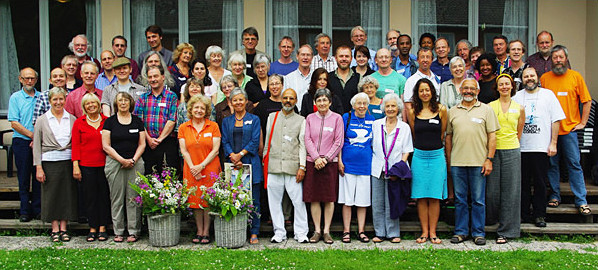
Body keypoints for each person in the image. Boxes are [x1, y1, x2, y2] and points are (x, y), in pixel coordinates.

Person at [446, 78, 499, 246]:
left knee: (478, 200)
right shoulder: (452, 111)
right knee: (460, 199)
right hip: (458, 162)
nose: (468, 91)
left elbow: (492, 136)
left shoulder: (486, 110)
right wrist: (449, 160)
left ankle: (478, 233)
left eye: (472, 88)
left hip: (479, 162)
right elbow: (448, 137)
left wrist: (489, 159)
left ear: (477, 91)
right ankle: (461, 232)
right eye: (465, 88)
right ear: (460, 90)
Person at [541, 45, 592, 215]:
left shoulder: (575, 77)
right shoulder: (545, 78)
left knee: (574, 164)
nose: (558, 60)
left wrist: (583, 122)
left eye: (561, 57)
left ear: (566, 59)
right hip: (550, 131)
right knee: (552, 165)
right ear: (552, 60)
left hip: (570, 129)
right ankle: (555, 196)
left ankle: (581, 200)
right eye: (555, 57)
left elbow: (587, 101)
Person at [513, 67, 565, 227]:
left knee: (541, 183)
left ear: (537, 77)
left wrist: (553, 143)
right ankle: (523, 214)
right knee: (523, 184)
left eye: (532, 76)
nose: (529, 78)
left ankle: (539, 215)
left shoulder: (548, 95)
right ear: (522, 79)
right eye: (526, 76)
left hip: (541, 147)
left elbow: (556, 120)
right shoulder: (516, 97)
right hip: (521, 148)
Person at [263, 88, 309, 244]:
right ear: (281, 99)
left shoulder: (301, 120)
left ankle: (301, 232)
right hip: (273, 166)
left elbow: (303, 145)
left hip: (293, 167)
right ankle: (279, 232)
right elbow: (267, 141)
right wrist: (265, 159)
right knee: (274, 202)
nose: (288, 101)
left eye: (291, 98)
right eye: (285, 98)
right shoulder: (272, 117)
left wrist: (302, 166)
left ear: (296, 101)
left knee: (298, 201)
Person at [33, 87, 77, 242]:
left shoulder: (71, 119)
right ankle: (54, 228)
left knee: (66, 194)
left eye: (61, 99)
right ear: (50, 101)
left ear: (65, 100)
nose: (58, 102)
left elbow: (76, 143)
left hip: (67, 160)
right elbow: (37, 145)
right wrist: (38, 167)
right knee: (51, 195)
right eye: (55, 99)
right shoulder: (42, 120)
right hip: (49, 161)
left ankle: (64, 228)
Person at [406, 78, 448, 245]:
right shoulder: (412, 112)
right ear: (417, 93)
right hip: (419, 157)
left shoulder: (441, 110)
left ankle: (433, 232)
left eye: (427, 90)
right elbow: (414, 134)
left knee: (435, 196)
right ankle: (424, 232)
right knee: (421, 196)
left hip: (437, 157)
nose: (424, 93)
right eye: (421, 90)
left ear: (432, 91)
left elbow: (442, 133)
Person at [221, 88, 263, 244]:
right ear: (231, 102)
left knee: (254, 200)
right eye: (235, 100)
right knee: (234, 197)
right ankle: (238, 229)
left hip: (251, 163)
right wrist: (233, 156)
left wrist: (241, 154)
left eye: (241, 99)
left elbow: (254, 140)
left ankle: (254, 232)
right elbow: (224, 141)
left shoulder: (255, 119)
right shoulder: (227, 121)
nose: (238, 102)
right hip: (233, 165)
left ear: (246, 101)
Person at [102, 92, 146, 243]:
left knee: (133, 197)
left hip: (135, 162)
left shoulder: (137, 121)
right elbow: (106, 146)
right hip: (115, 163)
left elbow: (142, 144)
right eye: (120, 100)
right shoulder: (109, 122)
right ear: (116, 103)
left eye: (126, 100)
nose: (123, 103)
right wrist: (121, 160)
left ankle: (134, 231)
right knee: (117, 198)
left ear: (130, 102)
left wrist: (133, 160)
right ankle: (119, 231)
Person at [486, 74, 525, 244]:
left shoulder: (519, 108)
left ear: (512, 86)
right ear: (497, 87)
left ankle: (507, 231)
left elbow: (519, 131)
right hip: (493, 151)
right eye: (501, 84)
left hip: (512, 150)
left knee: (511, 191)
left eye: (507, 84)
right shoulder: (489, 107)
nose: (504, 87)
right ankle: (490, 221)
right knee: (492, 191)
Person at [178, 95, 221, 244]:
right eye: (196, 107)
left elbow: (215, 150)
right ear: (190, 109)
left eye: (202, 108)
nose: (199, 110)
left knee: (207, 200)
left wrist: (201, 166)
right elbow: (184, 151)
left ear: (207, 110)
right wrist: (193, 168)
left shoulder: (213, 126)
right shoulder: (184, 127)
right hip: (191, 167)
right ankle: (199, 230)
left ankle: (207, 231)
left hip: (209, 167)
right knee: (195, 200)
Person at [371, 93, 413, 243]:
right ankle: (379, 232)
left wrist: (400, 167)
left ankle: (393, 233)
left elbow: (407, 150)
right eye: (387, 106)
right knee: (377, 202)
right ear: (384, 108)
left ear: (398, 108)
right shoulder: (376, 125)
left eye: (393, 106)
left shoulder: (404, 127)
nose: (390, 109)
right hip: (377, 168)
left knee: (392, 201)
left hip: (395, 170)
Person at [303, 88, 343, 244]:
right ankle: (317, 231)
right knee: (314, 198)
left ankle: (327, 231)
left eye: (325, 100)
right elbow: (307, 140)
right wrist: (316, 157)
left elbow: (338, 141)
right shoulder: (310, 118)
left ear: (330, 102)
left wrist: (325, 158)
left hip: (329, 163)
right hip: (313, 162)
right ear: (314, 102)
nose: (322, 103)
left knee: (329, 199)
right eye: (319, 100)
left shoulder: (337, 118)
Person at [71, 93, 110, 242]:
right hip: (86, 166)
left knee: (104, 196)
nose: (91, 105)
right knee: (90, 197)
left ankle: (103, 227)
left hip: (105, 165)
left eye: (94, 102)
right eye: (88, 103)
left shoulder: (107, 121)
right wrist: (76, 165)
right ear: (84, 106)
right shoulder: (79, 123)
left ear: (99, 104)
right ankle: (92, 227)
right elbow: (75, 145)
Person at [338, 93, 374, 243]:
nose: (361, 106)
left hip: (365, 165)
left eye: (364, 103)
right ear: (353, 105)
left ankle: (361, 231)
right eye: (358, 103)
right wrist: (339, 160)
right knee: (347, 200)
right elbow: (339, 141)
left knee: (362, 200)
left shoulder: (373, 120)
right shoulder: (346, 118)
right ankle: (346, 231)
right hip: (347, 165)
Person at [134, 65, 180, 174]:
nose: (153, 79)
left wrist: (159, 139)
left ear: (163, 77)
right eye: (150, 77)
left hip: (167, 143)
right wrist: (149, 139)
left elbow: (172, 119)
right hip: (147, 143)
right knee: (149, 178)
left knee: (168, 178)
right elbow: (138, 122)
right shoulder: (142, 98)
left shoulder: (171, 97)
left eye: (156, 76)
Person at [8, 67, 41, 222]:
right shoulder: (15, 98)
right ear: (20, 79)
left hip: (39, 142)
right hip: (22, 141)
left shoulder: (41, 97)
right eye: (26, 78)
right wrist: (32, 135)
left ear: (36, 80)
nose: (29, 81)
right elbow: (14, 123)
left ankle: (37, 209)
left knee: (38, 176)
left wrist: (38, 138)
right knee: (23, 176)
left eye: (32, 78)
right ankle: (24, 211)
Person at [403, 48, 440, 112]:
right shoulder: (411, 81)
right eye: (422, 57)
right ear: (417, 60)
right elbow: (408, 105)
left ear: (432, 60)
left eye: (428, 57)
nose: (425, 60)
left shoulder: (436, 79)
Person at [328, 45, 360, 113]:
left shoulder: (359, 78)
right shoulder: (328, 77)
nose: (344, 59)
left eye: (347, 56)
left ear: (351, 58)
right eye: (341, 56)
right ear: (336, 58)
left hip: (353, 119)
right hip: (333, 119)